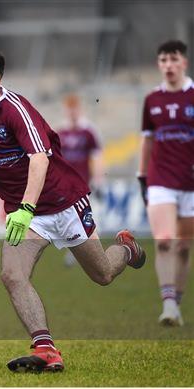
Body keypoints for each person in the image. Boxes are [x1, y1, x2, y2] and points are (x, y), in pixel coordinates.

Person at [0, 46, 146, 373]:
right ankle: (46, 349)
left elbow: (40, 158)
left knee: (103, 274)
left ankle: (127, 248)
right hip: (27, 215)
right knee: (12, 274)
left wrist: (26, 207)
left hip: (62, 202)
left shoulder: (16, 110)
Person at [137, 39, 194, 327]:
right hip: (161, 179)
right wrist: (142, 175)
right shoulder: (152, 100)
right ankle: (168, 304)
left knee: (184, 246)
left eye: (173, 59)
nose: (168, 65)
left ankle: (177, 302)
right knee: (163, 240)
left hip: (190, 182)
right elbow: (147, 139)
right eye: (163, 60)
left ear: (184, 62)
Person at [56, 94, 104, 266]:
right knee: (69, 221)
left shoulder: (88, 131)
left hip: (84, 184)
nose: (72, 112)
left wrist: (98, 182)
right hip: (65, 186)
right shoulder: (60, 132)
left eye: (74, 108)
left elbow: (97, 156)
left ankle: (90, 254)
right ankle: (75, 252)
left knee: (87, 219)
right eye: (69, 109)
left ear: (79, 109)